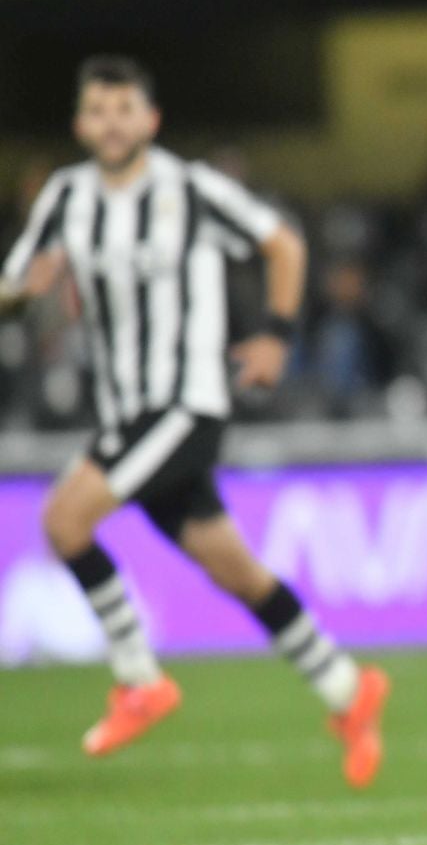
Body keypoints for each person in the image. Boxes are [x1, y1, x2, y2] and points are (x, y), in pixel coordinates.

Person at [0, 57, 388, 782]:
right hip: (126, 411)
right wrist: (25, 292)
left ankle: (139, 676)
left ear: (151, 120)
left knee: (63, 521)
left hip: (184, 403)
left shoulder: (190, 188)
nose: (111, 122)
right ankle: (346, 685)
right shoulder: (64, 196)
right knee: (234, 570)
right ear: (81, 124)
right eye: (97, 110)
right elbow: (16, 283)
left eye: (125, 109)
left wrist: (274, 333)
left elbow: (284, 243)